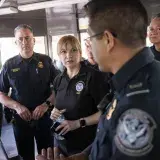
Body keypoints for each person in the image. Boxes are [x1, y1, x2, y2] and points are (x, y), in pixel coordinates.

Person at [37, 0, 160, 160]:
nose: (89, 47)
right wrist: (80, 157)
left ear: (108, 40)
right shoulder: (133, 80)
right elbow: (110, 137)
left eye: (91, 39)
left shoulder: (137, 104)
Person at [0, 24, 59, 160]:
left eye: (27, 38)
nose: (24, 42)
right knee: (25, 155)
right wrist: (17, 106)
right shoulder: (9, 65)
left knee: (47, 155)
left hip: (44, 118)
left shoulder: (46, 61)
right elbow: (1, 94)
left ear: (34, 40)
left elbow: (60, 87)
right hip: (20, 120)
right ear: (16, 42)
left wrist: (46, 105)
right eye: (20, 39)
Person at [50, 35, 110, 158]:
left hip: (87, 146)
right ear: (58, 55)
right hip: (62, 143)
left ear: (80, 52)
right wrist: (54, 113)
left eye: (73, 50)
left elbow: (107, 113)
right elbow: (59, 106)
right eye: (63, 51)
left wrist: (79, 123)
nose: (68, 55)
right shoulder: (58, 80)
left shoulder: (94, 77)